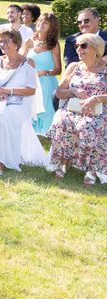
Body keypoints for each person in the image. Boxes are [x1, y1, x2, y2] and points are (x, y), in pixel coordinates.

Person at [0, 26, 47, 175]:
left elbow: (31, 90)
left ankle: (1, 160)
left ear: (16, 42)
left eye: (6, 41)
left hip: (19, 102)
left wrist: (7, 91)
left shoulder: (28, 63)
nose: (2, 45)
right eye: (0, 41)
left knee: (2, 116)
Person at [48, 34, 107, 186]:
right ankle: (64, 161)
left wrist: (96, 98)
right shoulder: (74, 67)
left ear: (96, 48)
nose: (79, 49)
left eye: (83, 46)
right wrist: (72, 92)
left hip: (98, 111)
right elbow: (59, 92)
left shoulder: (105, 68)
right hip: (72, 109)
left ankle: (92, 168)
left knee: (87, 126)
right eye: (77, 46)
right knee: (61, 121)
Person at [20, 13, 61, 135]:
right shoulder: (29, 41)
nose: (40, 24)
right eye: (39, 21)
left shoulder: (54, 45)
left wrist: (45, 72)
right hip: (29, 79)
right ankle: (28, 126)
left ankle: (44, 127)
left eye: (45, 22)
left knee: (44, 88)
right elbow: (19, 62)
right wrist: (26, 48)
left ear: (52, 27)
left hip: (46, 79)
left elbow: (58, 69)